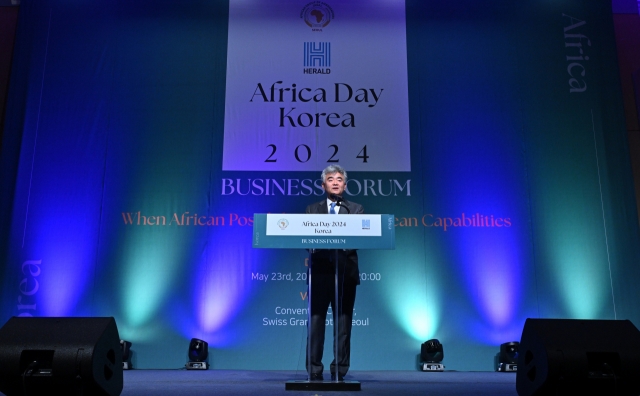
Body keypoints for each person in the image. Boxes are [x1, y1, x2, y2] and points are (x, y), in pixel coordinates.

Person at [305, 164, 364, 382]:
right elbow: (307, 239)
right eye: (331, 179)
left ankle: (339, 369)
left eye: (339, 179)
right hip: (320, 272)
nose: (336, 182)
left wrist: (336, 241)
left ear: (345, 185)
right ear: (323, 185)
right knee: (316, 323)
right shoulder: (312, 209)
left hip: (345, 273)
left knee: (343, 325)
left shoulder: (355, 209)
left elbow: (358, 238)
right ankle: (314, 369)